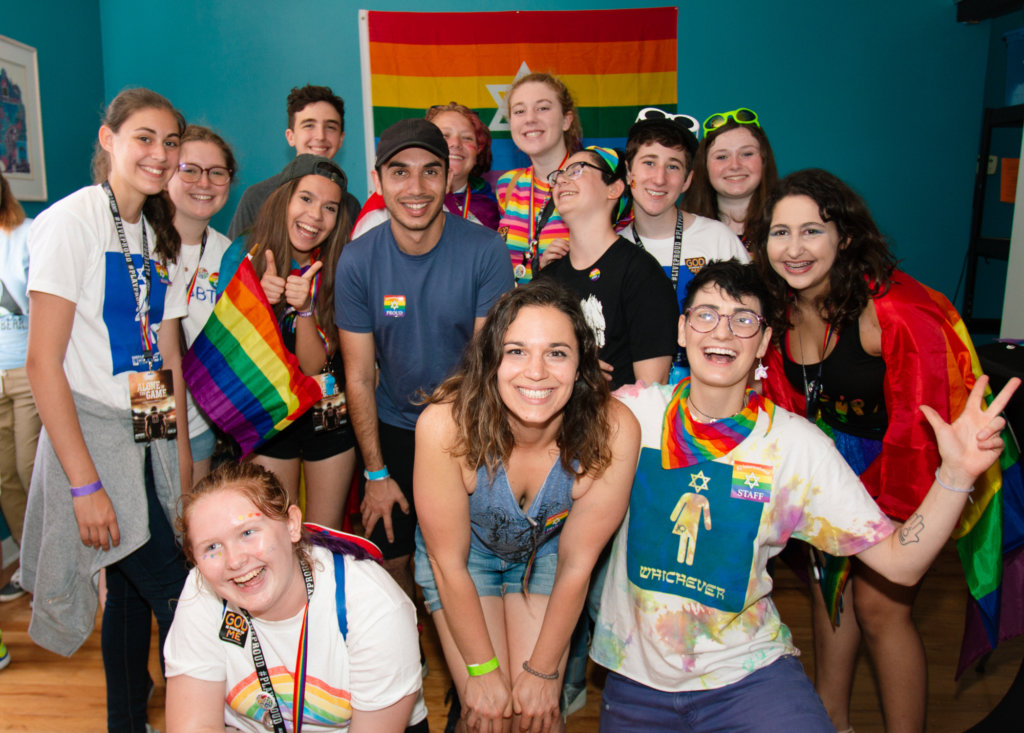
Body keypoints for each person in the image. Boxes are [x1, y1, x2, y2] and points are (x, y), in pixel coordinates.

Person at [590, 260, 1017, 732]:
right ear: (682, 329)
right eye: (706, 314)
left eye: (744, 320)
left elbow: (900, 563)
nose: (723, 332)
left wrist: (954, 476)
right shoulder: (632, 415)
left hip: (748, 677)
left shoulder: (796, 447)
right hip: (636, 683)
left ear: (765, 343)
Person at [751, 168, 1007, 732]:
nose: (793, 249)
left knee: (880, 606)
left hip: (907, 462)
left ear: (843, 236)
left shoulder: (895, 311)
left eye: (811, 231)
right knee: (830, 595)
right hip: (830, 465)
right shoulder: (781, 305)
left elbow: (928, 429)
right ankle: (831, 721)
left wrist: (889, 518)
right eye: (779, 232)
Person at [22, 87, 191, 732]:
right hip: (91, 440)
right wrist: (85, 484)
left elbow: (148, 352)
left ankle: (129, 722)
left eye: (170, 140)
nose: (159, 153)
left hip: (141, 428)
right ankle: (204, 715)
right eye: (144, 138)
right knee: (180, 592)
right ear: (108, 140)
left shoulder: (149, 228)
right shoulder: (71, 221)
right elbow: (44, 365)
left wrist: (171, 459)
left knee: (126, 592)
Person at [414, 281, 640, 733]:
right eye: (516, 351)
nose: (535, 372)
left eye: (557, 353)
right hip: (463, 560)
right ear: (491, 362)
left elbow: (578, 564)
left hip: (548, 557)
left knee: (537, 716)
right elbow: (447, 562)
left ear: (581, 366)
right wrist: (480, 674)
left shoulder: (614, 429)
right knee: (488, 716)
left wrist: (542, 674)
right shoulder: (445, 425)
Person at [335, 118, 513, 602]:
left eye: (430, 172)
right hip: (392, 427)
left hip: (468, 424)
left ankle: (470, 669)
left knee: (461, 557)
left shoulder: (486, 250)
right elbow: (357, 375)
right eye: (399, 172)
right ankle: (404, 659)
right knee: (391, 557)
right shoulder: (357, 260)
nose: (415, 188)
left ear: (449, 177)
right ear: (378, 180)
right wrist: (375, 473)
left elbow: (486, 365)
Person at [164, 460, 428, 732]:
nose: (234, 561)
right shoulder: (203, 589)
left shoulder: (372, 605)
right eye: (212, 546)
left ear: (292, 524)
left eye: (247, 532)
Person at [224, 154, 356, 530]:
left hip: (325, 411)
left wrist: (304, 311)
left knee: (323, 539)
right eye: (306, 199)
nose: (315, 216)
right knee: (273, 532)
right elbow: (229, 355)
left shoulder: (337, 265)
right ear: (284, 198)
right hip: (265, 414)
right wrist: (257, 302)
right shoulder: (243, 252)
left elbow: (315, 365)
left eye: (329, 208)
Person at [535, 146, 678, 389]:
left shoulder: (641, 273)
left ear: (614, 188)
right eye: (557, 176)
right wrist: (574, 369)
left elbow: (652, 390)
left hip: (616, 422)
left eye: (576, 170)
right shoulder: (548, 277)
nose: (561, 180)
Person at [621, 107, 749, 310]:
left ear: (687, 180)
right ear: (628, 173)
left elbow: (750, 314)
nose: (659, 179)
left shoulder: (718, 240)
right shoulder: (614, 247)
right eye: (649, 163)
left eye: (673, 166)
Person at [167, 124, 236, 482]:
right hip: (144, 420)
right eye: (190, 170)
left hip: (200, 423)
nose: (204, 183)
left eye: (217, 173)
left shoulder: (230, 255)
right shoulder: (139, 244)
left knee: (187, 522)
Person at [228, 84, 360, 239]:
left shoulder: (349, 205)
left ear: (341, 139)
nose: (320, 136)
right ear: (291, 136)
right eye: (309, 125)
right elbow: (236, 260)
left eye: (330, 127)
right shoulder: (257, 197)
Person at [352, 102, 500, 238]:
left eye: (467, 138)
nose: (456, 144)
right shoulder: (386, 204)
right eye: (444, 136)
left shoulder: (493, 205)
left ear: (479, 149)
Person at [496, 73, 581, 284]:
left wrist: (566, 264)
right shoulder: (507, 185)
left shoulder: (589, 183)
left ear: (566, 120)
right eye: (519, 111)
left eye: (542, 108)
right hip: (515, 312)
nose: (530, 119)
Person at [0, 169, 40, 603]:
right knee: (5, 477)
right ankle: (30, 565)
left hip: (28, 372)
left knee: (32, 468)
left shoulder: (27, 234)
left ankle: (61, 561)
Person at [685, 108, 778, 244]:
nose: (735, 165)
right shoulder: (681, 230)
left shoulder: (789, 223)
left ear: (764, 159)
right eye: (722, 156)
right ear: (704, 165)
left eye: (747, 154)